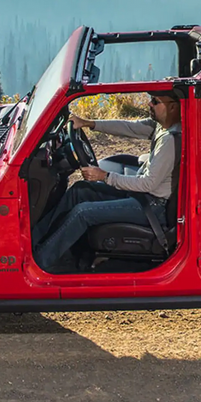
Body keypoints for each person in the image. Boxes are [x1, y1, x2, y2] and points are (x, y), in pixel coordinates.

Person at [32, 90, 182, 272]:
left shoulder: (170, 141)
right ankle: (32, 241)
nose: (149, 104)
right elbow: (129, 127)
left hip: (152, 206)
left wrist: (104, 176)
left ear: (173, 107)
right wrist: (89, 123)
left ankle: (39, 263)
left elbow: (147, 184)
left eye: (155, 101)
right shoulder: (161, 126)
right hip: (144, 196)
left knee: (83, 212)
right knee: (80, 190)